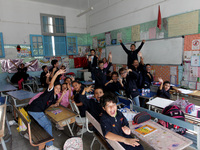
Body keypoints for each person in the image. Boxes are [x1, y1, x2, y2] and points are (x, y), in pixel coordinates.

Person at [27, 69, 66, 150]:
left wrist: (63, 95)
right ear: (53, 87)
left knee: (46, 121)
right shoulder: (50, 92)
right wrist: (57, 73)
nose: (58, 90)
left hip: (34, 109)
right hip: (35, 110)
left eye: (60, 89)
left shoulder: (55, 96)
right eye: (57, 88)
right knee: (48, 124)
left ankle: (29, 135)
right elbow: (51, 83)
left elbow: (56, 104)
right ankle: (49, 146)